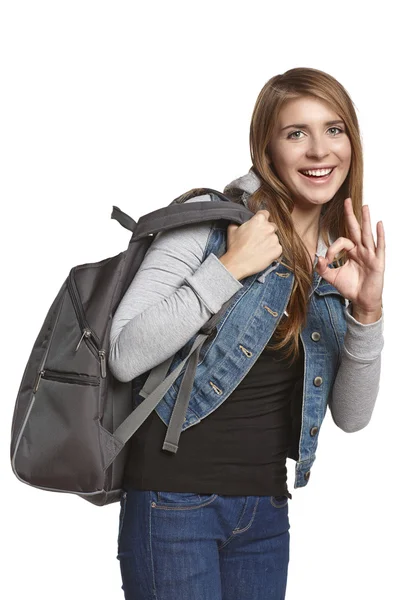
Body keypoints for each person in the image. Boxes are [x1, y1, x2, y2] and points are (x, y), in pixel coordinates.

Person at [108, 67, 385, 600]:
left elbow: (352, 418)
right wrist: (227, 269)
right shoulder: (209, 221)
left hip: (264, 509)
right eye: (295, 133)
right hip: (175, 502)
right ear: (267, 147)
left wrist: (367, 309)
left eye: (334, 129)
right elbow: (124, 352)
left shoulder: (335, 261)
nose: (318, 150)